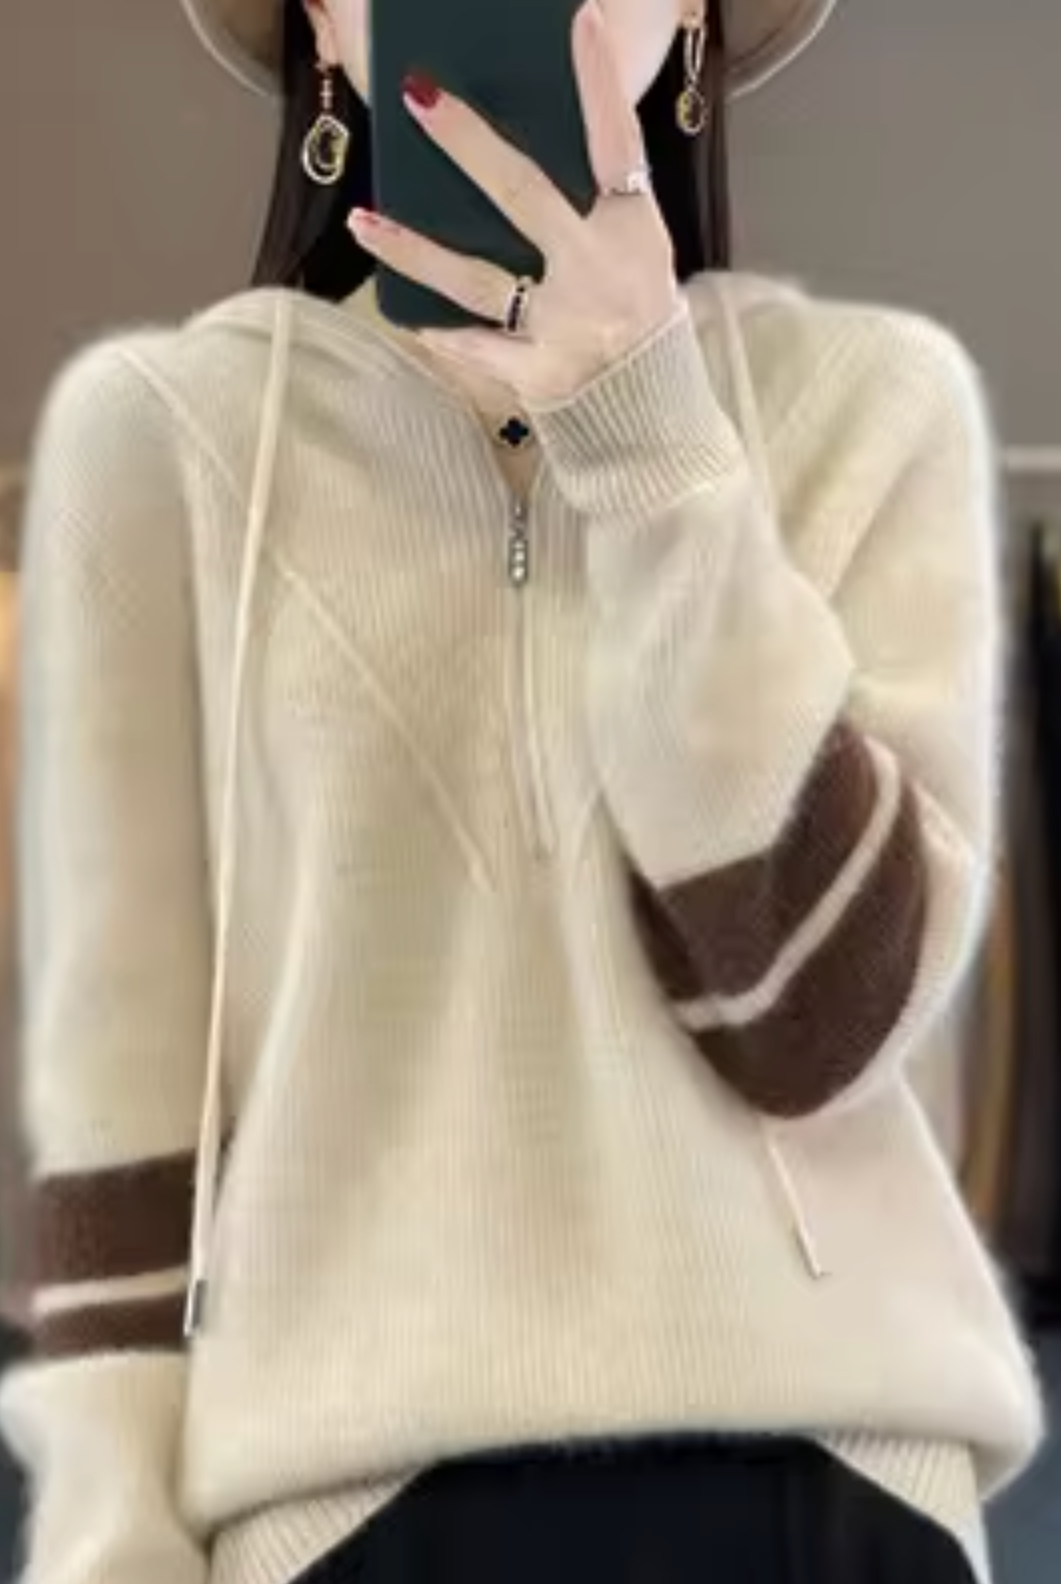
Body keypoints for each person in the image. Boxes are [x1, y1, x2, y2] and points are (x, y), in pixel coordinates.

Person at [0, 1, 1044, 1581]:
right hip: (342, 1505)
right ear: (323, 25)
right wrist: (109, 1545)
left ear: (693, 23)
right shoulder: (158, 442)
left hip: (835, 1487)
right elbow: (124, 1097)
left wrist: (652, 443)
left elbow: (817, 1015)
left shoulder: (872, 403)